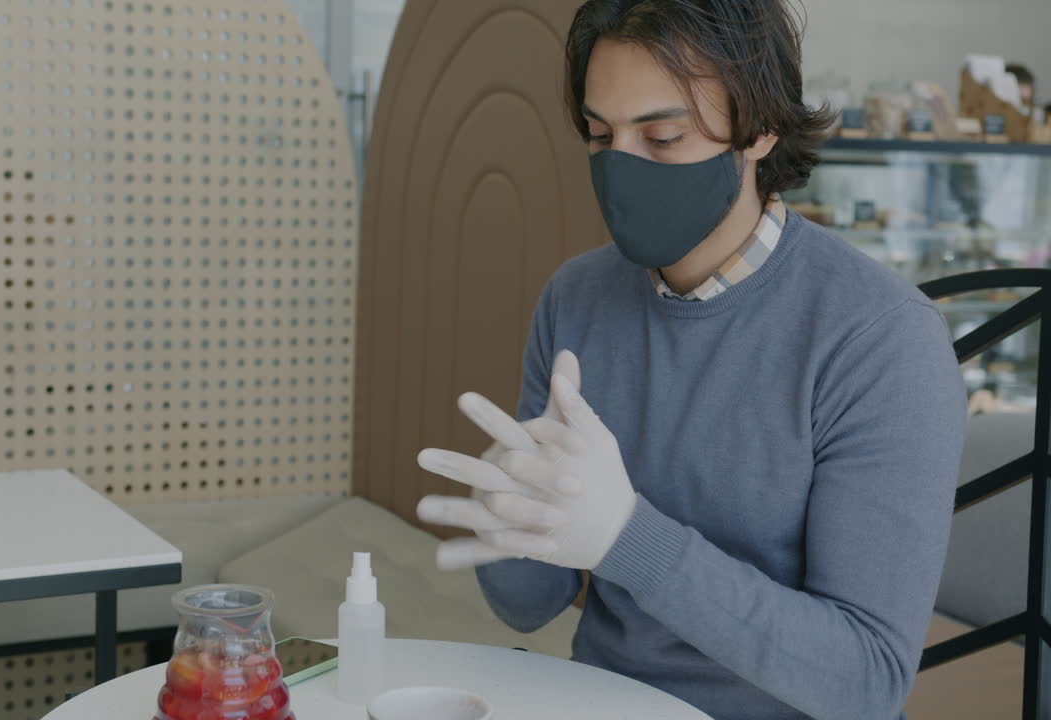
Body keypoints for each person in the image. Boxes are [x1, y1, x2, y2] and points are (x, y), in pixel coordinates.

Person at [413, 1, 967, 719]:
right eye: (599, 135)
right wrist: (509, 519)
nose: (622, 169)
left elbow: (866, 681)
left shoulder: (881, 339)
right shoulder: (576, 298)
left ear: (761, 127)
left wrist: (628, 538)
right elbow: (529, 607)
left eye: (664, 136)